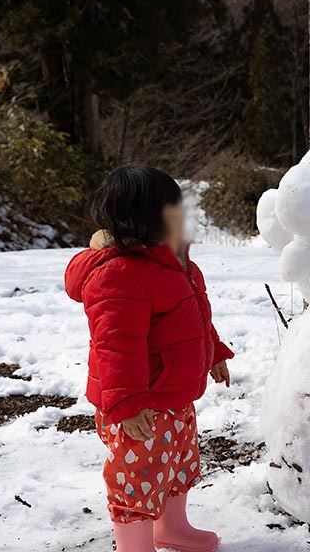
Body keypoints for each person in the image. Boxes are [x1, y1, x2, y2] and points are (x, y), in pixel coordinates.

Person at [64, 166, 234, 552]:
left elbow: (194, 316)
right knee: (137, 477)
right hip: (139, 405)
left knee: (176, 466)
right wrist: (128, 404)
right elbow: (116, 347)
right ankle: (135, 546)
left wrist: (214, 351)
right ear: (142, 217)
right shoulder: (119, 274)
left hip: (174, 397)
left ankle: (171, 527)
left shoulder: (175, 261)